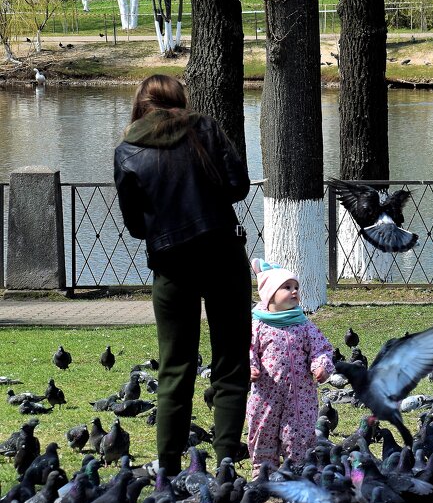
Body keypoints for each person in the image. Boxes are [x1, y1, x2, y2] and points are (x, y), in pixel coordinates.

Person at [114, 74, 252, 477]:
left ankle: (170, 469)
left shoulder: (127, 151)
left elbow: (137, 226)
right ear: (180, 100)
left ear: (141, 105)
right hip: (222, 253)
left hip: (171, 264)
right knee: (230, 361)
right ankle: (226, 458)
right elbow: (238, 186)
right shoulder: (204, 128)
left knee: (175, 366)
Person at [245, 259, 334, 476]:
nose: (294, 292)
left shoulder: (303, 325)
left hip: (300, 397)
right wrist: (250, 368)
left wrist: (321, 366)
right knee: (263, 433)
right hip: (266, 396)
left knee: (299, 436)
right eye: (287, 287)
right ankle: (263, 477)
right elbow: (246, 350)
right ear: (270, 294)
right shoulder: (257, 325)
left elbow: (321, 349)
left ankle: (298, 475)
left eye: (296, 287)